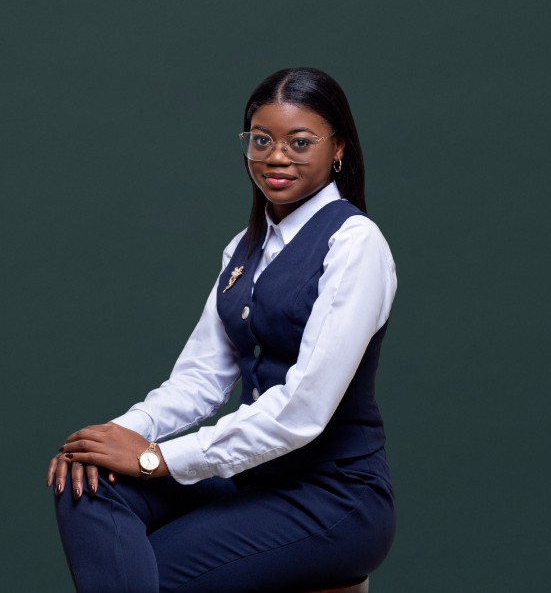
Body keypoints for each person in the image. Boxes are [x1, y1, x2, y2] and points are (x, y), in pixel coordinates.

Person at [46, 67, 396, 593]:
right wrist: (113, 436)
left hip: (334, 497)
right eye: (262, 140)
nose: (276, 156)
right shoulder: (244, 248)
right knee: (88, 485)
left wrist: (155, 458)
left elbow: (302, 410)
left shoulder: (354, 243)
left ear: (338, 148)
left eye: (300, 142)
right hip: (252, 480)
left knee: (152, 574)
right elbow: (200, 379)